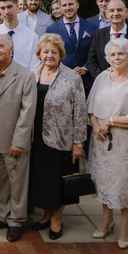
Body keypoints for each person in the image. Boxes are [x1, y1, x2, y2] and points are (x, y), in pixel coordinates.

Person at [88, 38, 128, 249]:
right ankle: (106, 221)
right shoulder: (102, 77)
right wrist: (97, 125)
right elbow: (92, 110)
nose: (116, 58)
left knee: (123, 185)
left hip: (125, 142)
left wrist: (110, 121)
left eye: (120, 54)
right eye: (112, 54)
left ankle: (125, 227)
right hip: (101, 140)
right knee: (103, 181)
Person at [27, 33, 87, 239]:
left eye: (53, 52)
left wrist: (78, 143)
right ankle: (45, 214)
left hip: (60, 138)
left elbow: (80, 112)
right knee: (41, 179)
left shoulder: (72, 77)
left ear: (60, 54)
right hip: (35, 137)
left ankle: (56, 220)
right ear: (39, 54)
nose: (49, 55)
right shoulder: (32, 73)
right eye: (45, 51)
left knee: (56, 181)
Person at [0, 32, 37, 242]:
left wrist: (20, 141)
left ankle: (17, 220)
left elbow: (27, 112)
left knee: (17, 181)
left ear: (11, 49)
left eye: (0, 47)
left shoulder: (25, 75)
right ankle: (1, 215)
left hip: (14, 137)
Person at [87, 0, 128, 79]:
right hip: (104, 83)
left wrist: (126, 79)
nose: (115, 13)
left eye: (119, 10)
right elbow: (91, 61)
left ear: (126, 12)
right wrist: (103, 78)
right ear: (106, 14)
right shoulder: (98, 35)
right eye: (112, 10)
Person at [46, 0, 97, 90]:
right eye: (64, 5)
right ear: (60, 8)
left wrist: (86, 68)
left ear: (77, 5)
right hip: (61, 80)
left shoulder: (91, 27)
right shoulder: (52, 30)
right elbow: (50, 55)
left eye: (71, 4)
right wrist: (66, 71)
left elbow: (95, 52)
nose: (68, 8)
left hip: (87, 81)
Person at [0, 0, 39, 70]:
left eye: (9, 7)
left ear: (17, 7)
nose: (6, 11)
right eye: (2, 8)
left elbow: (34, 66)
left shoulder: (32, 37)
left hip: (24, 80)